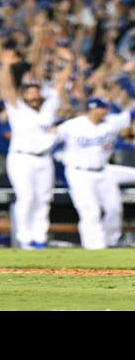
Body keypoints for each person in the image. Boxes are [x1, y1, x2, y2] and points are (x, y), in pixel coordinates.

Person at [0, 49, 69, 249]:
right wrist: (5, 66)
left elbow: (61, 83)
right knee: (27, 197)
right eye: (29, 90)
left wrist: (69, 63)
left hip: (44, 159)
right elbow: (7, 88)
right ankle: (25, 238)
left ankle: (40, 237)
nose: (33, 92)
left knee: (44, 199)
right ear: (24, 94)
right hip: (21, 158)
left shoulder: (48, 108)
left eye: (35, 89)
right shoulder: (17, 107)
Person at [52, 97, 135, 250]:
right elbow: (51, 137)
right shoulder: (73, 125)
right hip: (79, 173)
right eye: (102, 108)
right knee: (90, 210)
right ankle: (94, 246)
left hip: (104, 170)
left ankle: (112, 241)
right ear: (93, 109)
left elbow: (131, 114)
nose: (105, 111)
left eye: (105, 108)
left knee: (114, 208)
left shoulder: (111, 122)